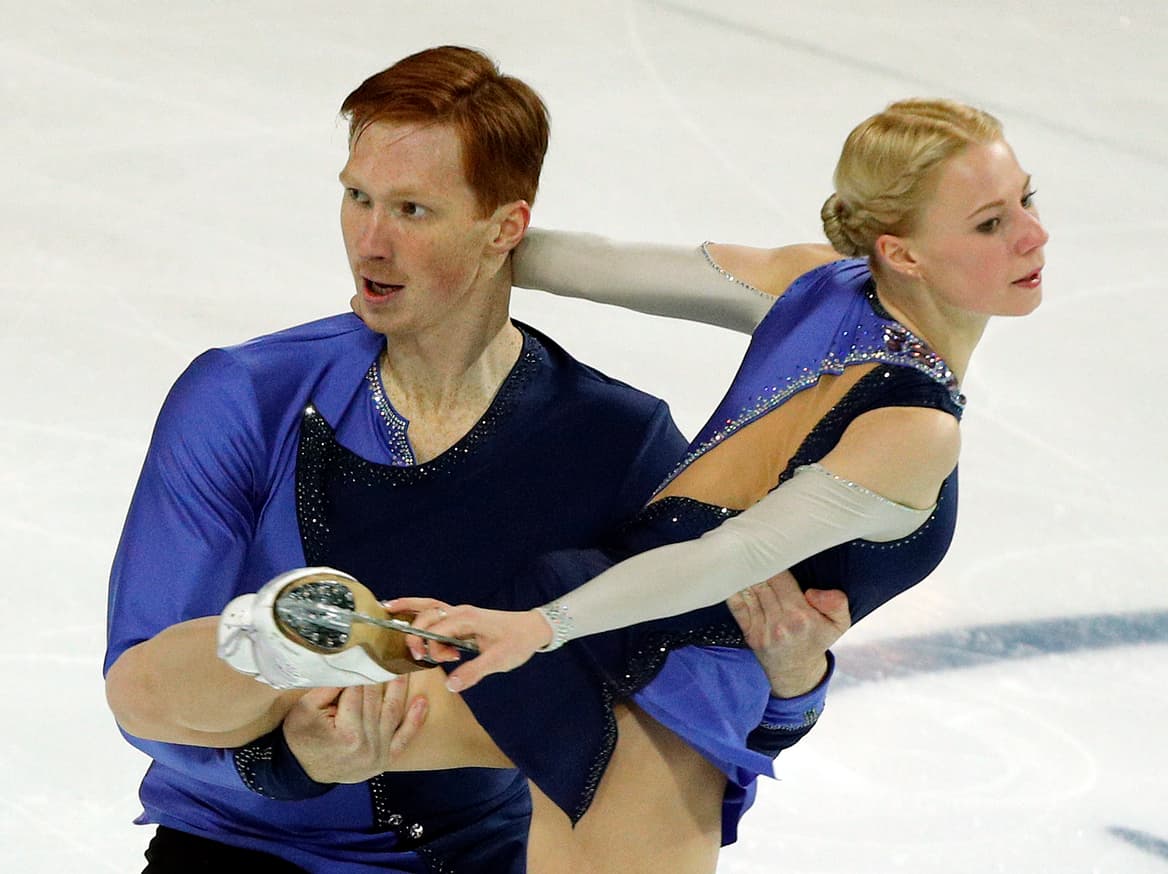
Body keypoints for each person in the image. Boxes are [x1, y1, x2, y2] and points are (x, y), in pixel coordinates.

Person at [104, 45, 838, 874]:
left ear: (505, 229)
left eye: (412, 210)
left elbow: (708, 714)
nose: (370, 242)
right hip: (242, 848)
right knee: (202, 665)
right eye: (357, 197)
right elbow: (138, 695)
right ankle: (282, 641)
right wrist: (292, 761)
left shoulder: (612, 441)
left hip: (475, 856)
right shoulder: (248, 396)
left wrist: (794, 677)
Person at [345, 96, 1046, 870]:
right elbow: (731, 556)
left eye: (1027, 200)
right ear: (902, 254)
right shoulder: (915, 428)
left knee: (317, 733)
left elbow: (585, 263)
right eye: (991, 223)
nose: (1033, 235)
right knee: (321, 734)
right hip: (660, 691)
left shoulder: (812, 283)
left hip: (594, 614)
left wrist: (440, 238)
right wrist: (541, 628)